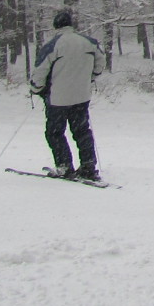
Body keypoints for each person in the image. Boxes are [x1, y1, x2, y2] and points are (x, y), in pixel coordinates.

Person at [29, 9, 104, 181]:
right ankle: (88, 166)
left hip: (58, 99)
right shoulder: (89, 42)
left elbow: (40, 71)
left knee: (55, 133)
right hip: (82, 96)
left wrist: (36, 89)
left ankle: (64, 166)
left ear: (56, 26)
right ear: (71, 25)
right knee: (82, 131)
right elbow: (100, 63)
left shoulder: (53, 45)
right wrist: (90, 77)